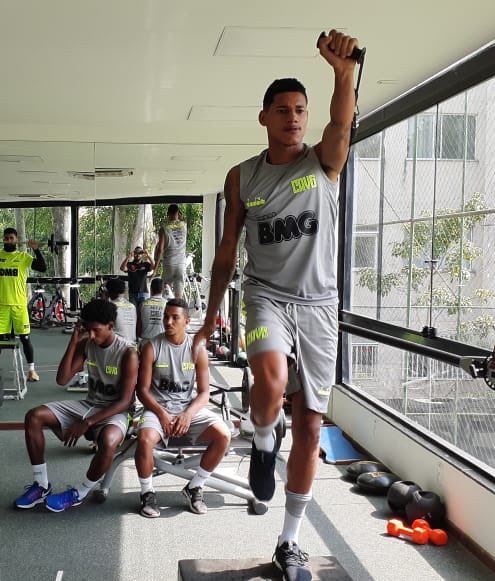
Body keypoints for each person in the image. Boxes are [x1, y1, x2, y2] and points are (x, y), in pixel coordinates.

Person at [193, 30, 360, 580]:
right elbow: (226, 251)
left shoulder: (324, 162)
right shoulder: (243, 176)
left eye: (301, 110)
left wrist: (343, 73)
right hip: (264, 296)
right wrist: (211, 315)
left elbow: (341, 125)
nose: (294, 118)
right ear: (263, 118)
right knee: (269, 378)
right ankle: (264, 439)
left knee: (310, 427)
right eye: (283, 110)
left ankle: (289, 539)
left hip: (319, 307)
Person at [12, 299, 138, 512]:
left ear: (110, 326)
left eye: (97, 330)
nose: (92, 336)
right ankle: (41, 485)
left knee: (108, 441)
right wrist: (74, 341)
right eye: (88, 330)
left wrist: (86, 423)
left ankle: (80, 492)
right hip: (89, 404)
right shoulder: (87, 344)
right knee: (34, 416)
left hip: (116, 411)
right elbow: (62, 379)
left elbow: (125, 401)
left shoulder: (127, 353)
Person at [135, 299, 230, 518]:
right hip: (157, 409)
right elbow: (142, 391)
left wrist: (188, 415)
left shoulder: (198, 350)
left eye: (174, 317)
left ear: (186, 321)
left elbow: (204, 393)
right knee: (144, 440)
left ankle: (194, 487)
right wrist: (162, 414)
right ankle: (147, 493)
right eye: (166, 317)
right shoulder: (151, 347)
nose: (168, 322)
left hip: (187, 410)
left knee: (224, 435)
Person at [0, 228, 47, 382]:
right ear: (3, 240)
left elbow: (42, 267)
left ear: (16, 240)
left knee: (25, 338)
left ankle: (31, 371)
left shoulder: (23, 257)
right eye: (6, 238)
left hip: (19, 306)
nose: (8, 240)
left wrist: (36, 250)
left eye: (11, 238)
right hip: (2, 306)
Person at [153, 204, 188, 300]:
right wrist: (179, 215)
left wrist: (155, 269)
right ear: (178, 213)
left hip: (169, 264)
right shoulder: (184, 225)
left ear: (167, 214)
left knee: (165, 294)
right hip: (181, 264)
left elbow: (160, 249)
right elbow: (183, 218)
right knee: (179, 297)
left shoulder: (164, 229)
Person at [119, 245, 154, 311]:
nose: (138, 255)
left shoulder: (145, 264)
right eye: (136, 253)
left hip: (143, 293)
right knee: (133, 312)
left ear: (142, 255)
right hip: (132, 293)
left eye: (140, 253)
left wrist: (148, 255)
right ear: (134, 254)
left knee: (143, 312)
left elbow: (153, 266)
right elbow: (122, 268)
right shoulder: (129, 264)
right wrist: (128, 256)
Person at [104, 277, 137, 344]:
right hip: (132, 344)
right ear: (124, 291)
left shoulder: (109, 307)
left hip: (117, 346)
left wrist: (104, 299)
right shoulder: (132, 306)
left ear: (108, 292)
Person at [138, 278, 167, 344]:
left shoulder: (142, 305)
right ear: (163, 290)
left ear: (150, 289)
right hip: (162, 342)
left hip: (146, 342)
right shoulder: (167, 304)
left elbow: (139, 328)